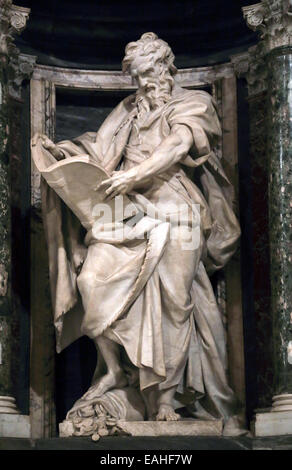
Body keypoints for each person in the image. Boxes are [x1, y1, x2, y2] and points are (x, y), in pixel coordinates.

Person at [35, 32, 241, 425]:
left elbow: (178, 146)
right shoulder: (129, 109)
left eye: (148, 73)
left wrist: (135, 176)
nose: (143, 83)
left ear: (165, 67)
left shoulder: (195, 103)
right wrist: (65, 155)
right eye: (137, 76)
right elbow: (100, 150)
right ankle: (115, 369)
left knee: (175, 304)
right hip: (124, 213)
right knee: (91, 281)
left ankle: (166, 396)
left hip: (177, 211)